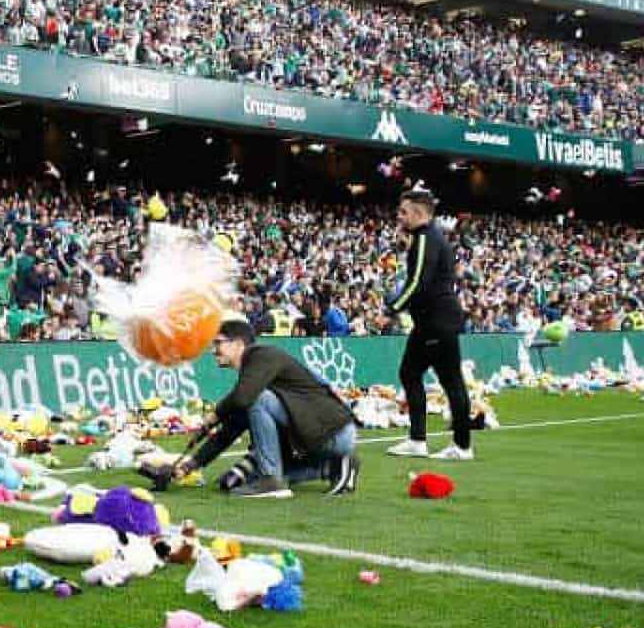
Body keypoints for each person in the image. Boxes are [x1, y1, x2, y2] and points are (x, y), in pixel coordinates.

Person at [144, 320, 358, 498]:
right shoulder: (253, 375)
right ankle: (333, 466)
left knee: (258, 400)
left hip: (331, 432)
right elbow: (230, 429)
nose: (213, 350)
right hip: (317, 438)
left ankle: (271, 481)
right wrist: (188, 466)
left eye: (218, 343)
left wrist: (215, 413)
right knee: (234, 481)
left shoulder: (262, 355)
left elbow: (242, 398)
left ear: (238, 344)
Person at [384, 188, 473, 461]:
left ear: (420, 213)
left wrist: (392, 309)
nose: (400, 217)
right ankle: (421, 440)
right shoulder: (430, 238)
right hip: (436, 320)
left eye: (404, 212)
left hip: (436, 321)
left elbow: (418, 282)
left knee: (449, 381)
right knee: (411, 373)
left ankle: (459, 446)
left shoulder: (425, 238)